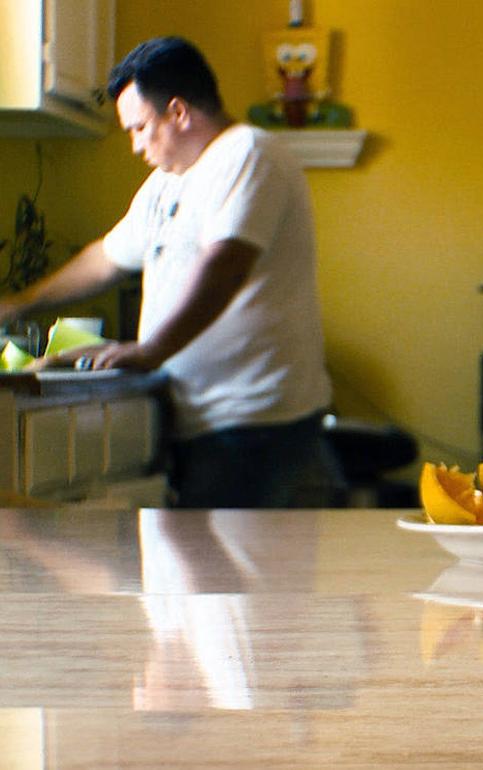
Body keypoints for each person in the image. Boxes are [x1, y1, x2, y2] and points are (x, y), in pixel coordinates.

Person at [0, 37, 344, 508]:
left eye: (140, 128)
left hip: (258, 428)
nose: (136, 144)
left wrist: (151, 350)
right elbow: (107, 258)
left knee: (241, 581)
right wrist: (20, 303)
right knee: (198, 577)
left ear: (178, 112)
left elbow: (226, 263)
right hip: (202, 422)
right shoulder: (166, 182)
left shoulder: (249, 154)